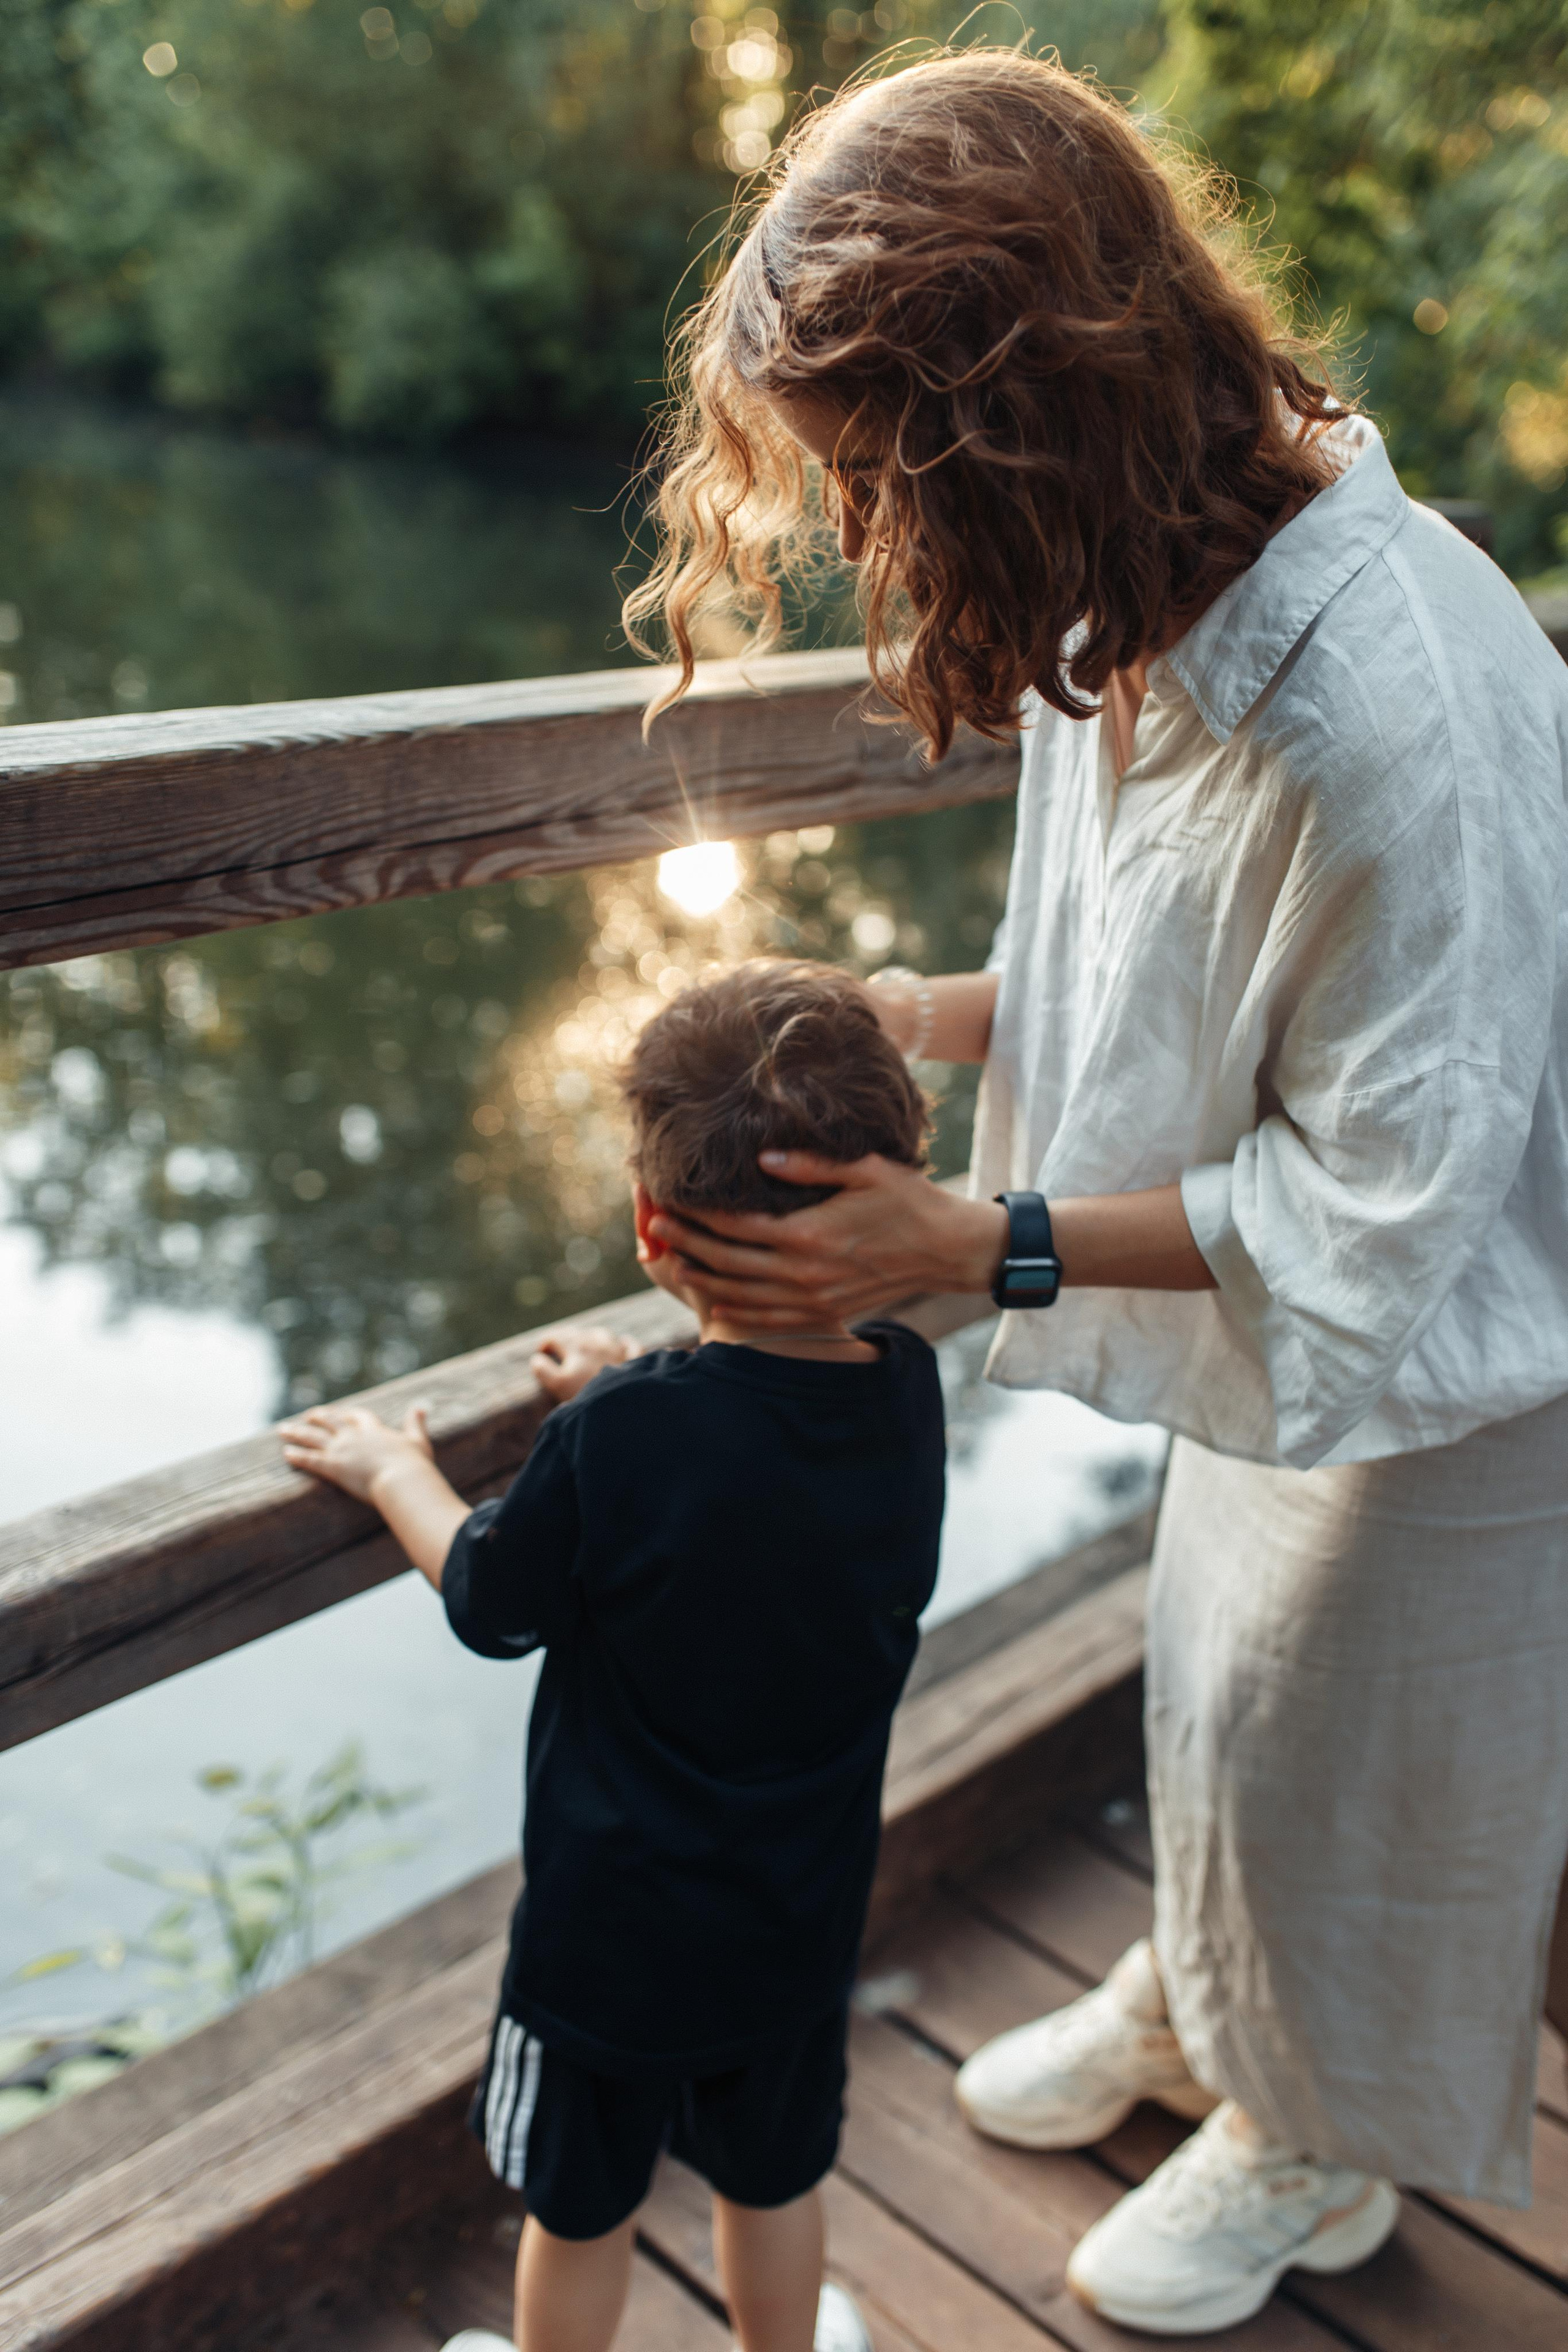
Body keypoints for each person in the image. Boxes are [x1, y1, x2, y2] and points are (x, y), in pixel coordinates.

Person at [622, 45, 1568, 2340]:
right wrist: (919, 1010)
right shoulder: (1156, 587)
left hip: (1467, 1347)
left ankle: (1318, 2138)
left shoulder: (1377, 703)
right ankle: (1212, 2005)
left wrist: (983, 1243)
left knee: (1369, 1735)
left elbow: (1382, 1203)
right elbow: (1164, 962)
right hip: (1301, 1287)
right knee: (1226, 1687)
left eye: (877, 475)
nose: (867, 527)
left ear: (1018, 412)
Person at [278, 960, 946, 2352]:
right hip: (794, 1925)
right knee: (773, 2182)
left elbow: (491, 1600)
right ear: (890, 1198)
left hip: (606, 1952)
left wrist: (395, 1470)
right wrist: (630, 1396)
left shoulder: (623, 1439)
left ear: (651, 1225)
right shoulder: (903, 1391)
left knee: (577, 2211)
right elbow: (757, 1469)